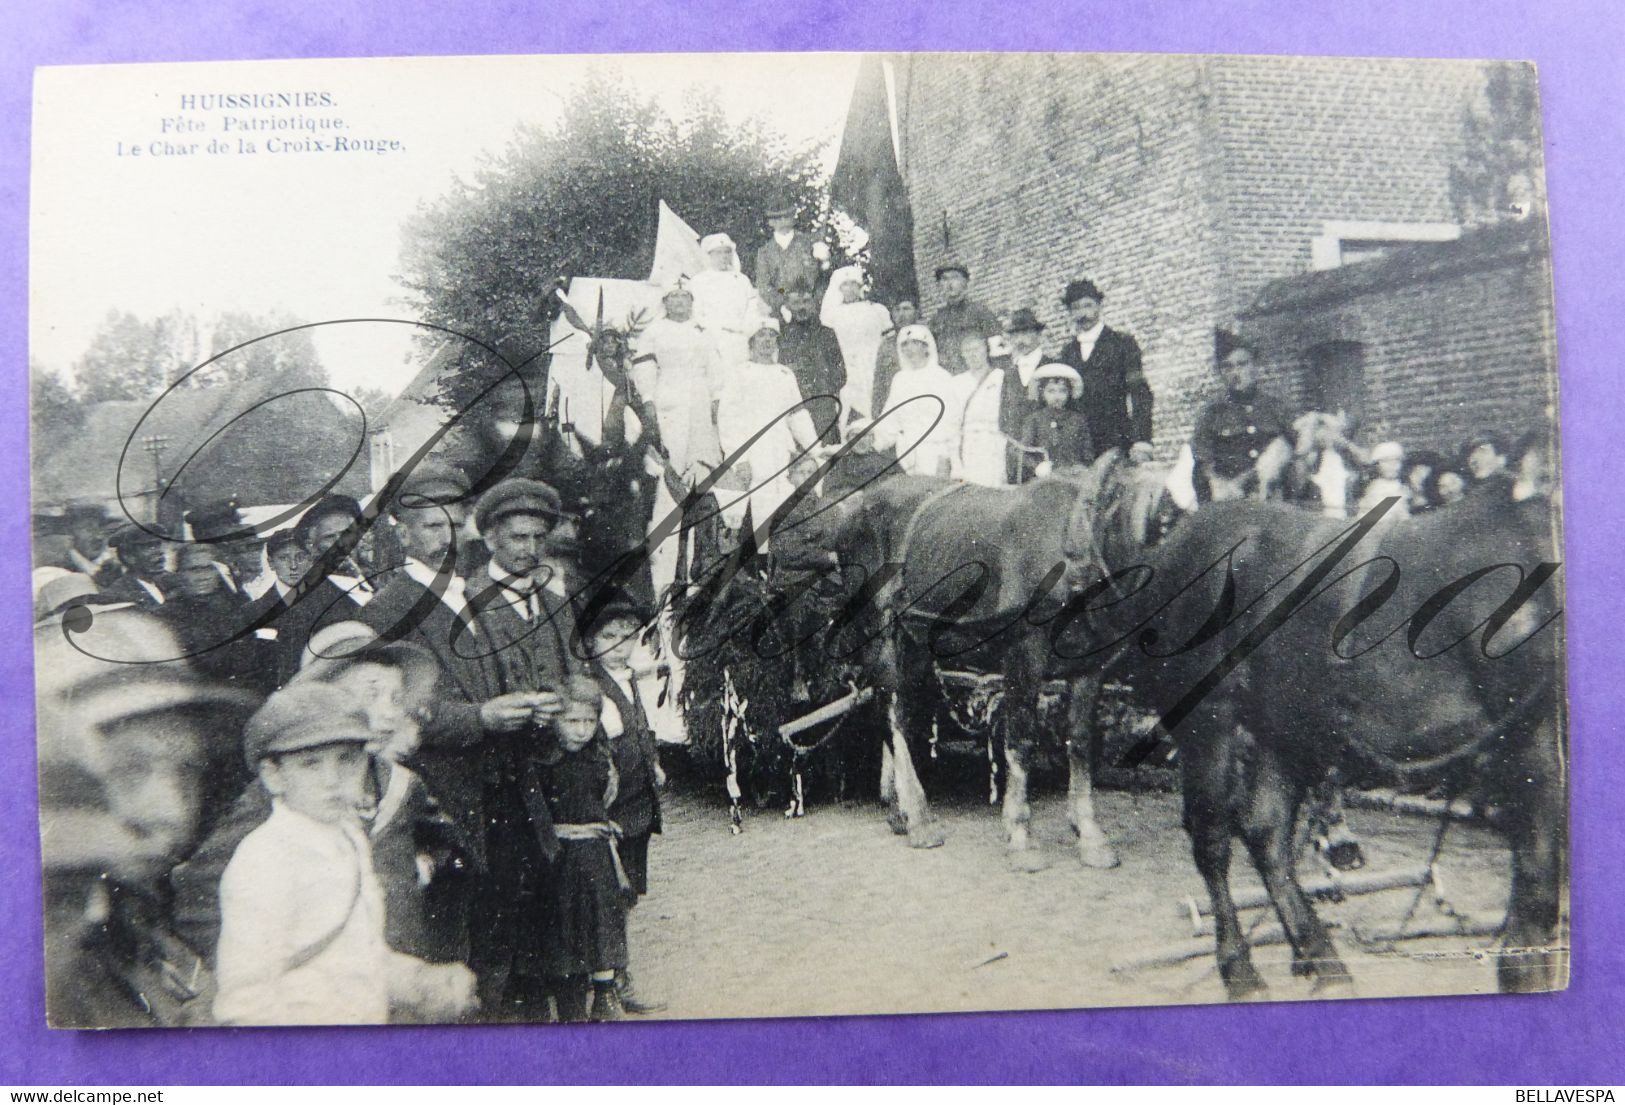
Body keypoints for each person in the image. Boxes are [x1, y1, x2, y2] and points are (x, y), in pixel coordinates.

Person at [37, 607, 258, 1027]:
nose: (174, 811)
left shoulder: (132, 921)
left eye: (188, 770)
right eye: (129, 769)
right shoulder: (42, 965)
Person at [212, 682, 479, 1025]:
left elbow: (361, 954)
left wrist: (419, 979)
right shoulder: (264, 858)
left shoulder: (350, 838)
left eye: (347, 761)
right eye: (310, 764)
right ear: (273, 776)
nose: (332, 780)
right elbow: (243, 1005)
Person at [462, 477, 582, 1019]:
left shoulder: (556, 602)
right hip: (497, 775)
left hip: (553, 765)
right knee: (507, 890)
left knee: (560, 887)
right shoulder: (466, 605)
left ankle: (555, 988)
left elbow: (575, 672)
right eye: (517, 538)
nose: (530, 550)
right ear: (490, 539)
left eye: (538, 538)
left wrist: (568, 702)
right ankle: (510, 999)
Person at [586, 594, 665, 1015]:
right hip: (613, 806)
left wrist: (652, 761)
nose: (619, 644)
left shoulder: (628, 678)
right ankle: (613, 982)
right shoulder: (593, 686)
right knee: (612, 894)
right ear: (591, 641)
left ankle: (617, 973)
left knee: (628, 891)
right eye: (608, 636)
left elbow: (640, 727)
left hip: (638, 801)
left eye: (627, 636)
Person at [535, 678, 631, 1023]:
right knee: (565, 926)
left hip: (595, 856)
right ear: (555, 721)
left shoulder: (598, 760)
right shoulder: (545, 763)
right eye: (572, 721)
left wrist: (604, 824)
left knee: (601, 920)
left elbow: (603, 801)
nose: (581, 731)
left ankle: (605, 994)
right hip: (560, 857)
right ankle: (569, 1004)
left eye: (589, 722)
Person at [714, 318, 824, 548]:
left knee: (783, 503)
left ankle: (781, 562)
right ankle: (758, 567)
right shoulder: (739, 373)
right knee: (756, 509)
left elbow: (798, 415)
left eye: (771, 335)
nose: (767, 341)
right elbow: (728, 419)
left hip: (781, 450)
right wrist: (739, 459)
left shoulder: (785, 374)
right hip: (753, 453)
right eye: (761, 335)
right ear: (751, 342)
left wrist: (816, 449)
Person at [630, 284, 723, 478]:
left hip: (700, 395)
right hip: (668, 392)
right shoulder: (654, 331)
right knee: (674, 448)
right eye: (674, 296)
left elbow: (714, 366)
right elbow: (644, 367)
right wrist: (648, 398)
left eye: (684, 296)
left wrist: (716, 397)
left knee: (702, 451)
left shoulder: (703, 330)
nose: (680, 301)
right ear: (665, 302)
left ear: (691, 302)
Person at [1055, 278, 1154, 459]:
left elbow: (1140, 392)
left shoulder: (1122, 344)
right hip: (1078, 446)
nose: (1083, 314)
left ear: (1099, 306)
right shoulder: (1067, 353)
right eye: (1076, 308)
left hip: (1116, 441)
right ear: (1070, 313)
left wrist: (1142, 440)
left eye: (1088, 305)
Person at [1191, 329, 1293, 502]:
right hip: (1232, 500)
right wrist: (1220, 487)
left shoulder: (1276, 407)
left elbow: (1299, 448)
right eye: (1228, 367)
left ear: (1254, 366)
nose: (1235, 373)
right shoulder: (1212, 413)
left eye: (1242, 364)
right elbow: (1203, 466)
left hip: (1274, 501)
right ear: (1221, 372)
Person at [874, 324, 959, 477]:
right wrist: (871, 442)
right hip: (908, 458)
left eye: (915, 343)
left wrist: (945, 457)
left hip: (936, 455)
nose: (909, 349)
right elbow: (889, 421)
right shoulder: (900, 379)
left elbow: (952, 422)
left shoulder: (941, 377)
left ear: (926, 347)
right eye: (905, 345)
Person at [949, 332, 1026, 486]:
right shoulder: (956, 382)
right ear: (962, 354)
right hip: (969, 444)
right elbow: (952, 423)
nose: (973, 354)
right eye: (967, 351)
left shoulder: (1001, 376)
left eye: (976, 349)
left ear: (986, 350)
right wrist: (955, 460)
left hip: (995, 441)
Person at [819, 266, 892, 419]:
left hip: (873, 365)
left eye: (854, 284)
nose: (850, 289)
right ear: (839, 288)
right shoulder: (831, 316)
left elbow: (887, 340)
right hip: (847, 368)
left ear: (860, 286)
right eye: (846, 285)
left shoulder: (877, 310)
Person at [778, 283, 847, 441]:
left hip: (823, 407)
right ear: (787, 305)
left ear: (814, 303)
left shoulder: (827, 334)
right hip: (793, 406)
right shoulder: (781, 336)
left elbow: (840, 373)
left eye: (806, 301)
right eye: (796, 303)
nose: (802, 307)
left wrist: (823, 392)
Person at [690, 233, 762, 366]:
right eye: (718, 253)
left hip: (740, 339)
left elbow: (751, 309)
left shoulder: (742, 280)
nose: (724, 257)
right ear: (709, 255)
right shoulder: (699, 281)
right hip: (713, 340)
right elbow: (696, 313)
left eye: (727, 252)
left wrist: (746, 330)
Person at [1016, 364, 1092, 481]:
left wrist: (1081, 467)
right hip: (1043, 480)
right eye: (1051, 391)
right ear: (1042, 393)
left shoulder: (1078, 420)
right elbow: (1022, 451)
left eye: (1062, 391)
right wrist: (1037, 467)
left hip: (1073, 478)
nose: (1057, 396)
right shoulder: (1034, 419)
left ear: (1069, 393)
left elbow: (1087, 454)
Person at [754, 198, 827, 318]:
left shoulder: (810, 243)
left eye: (786, 217)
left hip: (811, 308)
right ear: (770, 222)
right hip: (782, 310)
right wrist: (782, 303)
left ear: (793, 218)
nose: (783, 222)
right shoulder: (765, 252)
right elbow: (764, 285)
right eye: (777, 218)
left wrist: (815, 301)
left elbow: (823, 278)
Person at [927, 262, 1001, 377]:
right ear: (939, 285)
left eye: (955, 278)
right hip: (949, 379)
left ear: (965, 282)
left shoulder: (980, 312)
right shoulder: (936, 320)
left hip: (978, 377)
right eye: (944, 279)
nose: (949, 284)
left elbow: (997, 350)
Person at [1287, 411, 1364, 520]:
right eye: (1328, 430)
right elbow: (1300, 486)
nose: (1331, 436)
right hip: (1318, 519)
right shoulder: (1311, 460)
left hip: (1344, 519)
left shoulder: (1346, 459)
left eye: (1336, 431)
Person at [869, 298, 920, 416]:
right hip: (896, 408)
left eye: (906, 309)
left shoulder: (927, 338)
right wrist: (877, 413)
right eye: (897, 310)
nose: (901, 314)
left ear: (917, 311)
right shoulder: (886, 345)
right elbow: (879, 384)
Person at [103, 522, 172, 607]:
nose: (160, 552)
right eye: (150, 546)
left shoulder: (173, 581)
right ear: (129, 556)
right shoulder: (119, 592)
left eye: (159, 544)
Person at [1356, 440, 1410, 518]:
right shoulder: (1375, 488)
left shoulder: (1401, 486)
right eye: (1386, 461)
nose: (1393, 465)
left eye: (1397, 460)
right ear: (1377, 465)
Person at [1005, 308, 1050, 393]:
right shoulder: (1008, 374)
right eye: (1015, 335)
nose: (1019, 341)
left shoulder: (1051, 365)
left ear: (1038, 334)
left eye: (1025, 333)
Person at [1462, 430, 1516, 500]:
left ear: (1501, 457)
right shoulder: (1475, 497)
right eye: (1469, 455)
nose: (1472, 460)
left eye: (1482, 451)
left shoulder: (1519, 484)